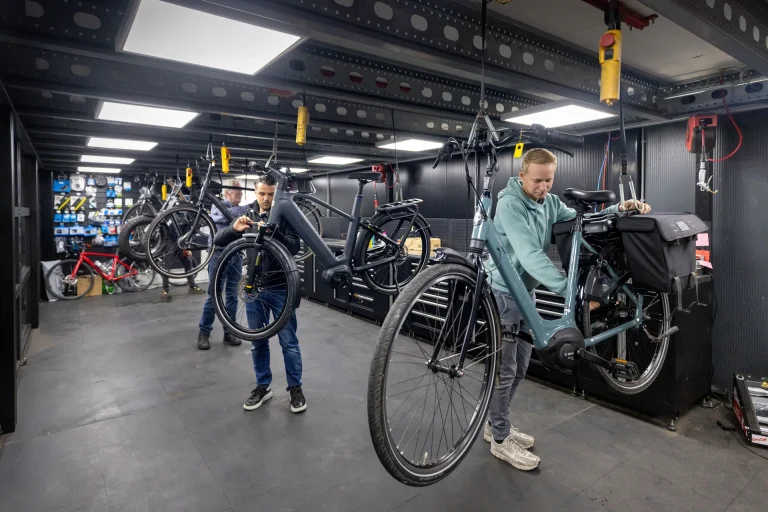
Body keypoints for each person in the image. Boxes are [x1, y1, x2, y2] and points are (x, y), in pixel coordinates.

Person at [483, 148, 652, 471]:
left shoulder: (548, 203)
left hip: (526, 293)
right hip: (504, 293)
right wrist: (569, 290)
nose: (543, 187)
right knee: (505, 370)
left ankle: (495, 423)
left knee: (520, 367)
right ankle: (500, 439)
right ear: (522, 175)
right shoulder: (509, 205)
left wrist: (619, 208)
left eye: (549, 180)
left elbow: (581, 220)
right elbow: (530, 255)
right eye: (537, 180)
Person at [213, 176, 306, 413]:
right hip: (253, 290)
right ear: (255, 193)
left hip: (281, 288)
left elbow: (295, 247)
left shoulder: (285, 215)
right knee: (257, 342)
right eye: (262, 193)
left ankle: (295, 388)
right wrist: (234, 228)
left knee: (289, 342)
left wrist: (276, 233)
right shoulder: (247, 215)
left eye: (271, 194)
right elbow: (218, 240)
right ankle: (263, 386)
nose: (266, 199)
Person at [196, 180, 250, 350]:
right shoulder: (218, 206)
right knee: (214, 296)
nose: (240, 193)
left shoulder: (238, 209)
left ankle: (229, 332)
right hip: (218, 256)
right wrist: (249, 207)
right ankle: (204, 333)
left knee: (232, 296)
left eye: (241, 191)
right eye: (237, 190)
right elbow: (229, 215)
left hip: (235, 255)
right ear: (227, 193)